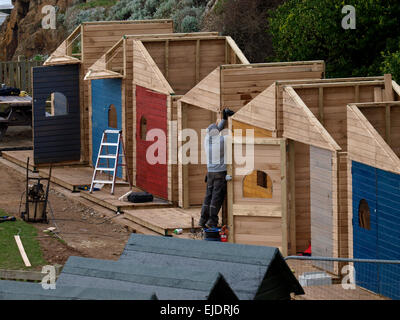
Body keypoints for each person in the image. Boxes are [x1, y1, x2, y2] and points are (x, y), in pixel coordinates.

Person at [199, 108, 235, 228]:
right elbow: (232, 135)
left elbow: (216, 129)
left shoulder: (207, 139)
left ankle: (203, 219)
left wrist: (224, 118)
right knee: (216, 197)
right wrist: (234, 119)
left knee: (208, 196)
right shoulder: (222, 141)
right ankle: (212, 221)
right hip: (220, 174)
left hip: (210, 174)